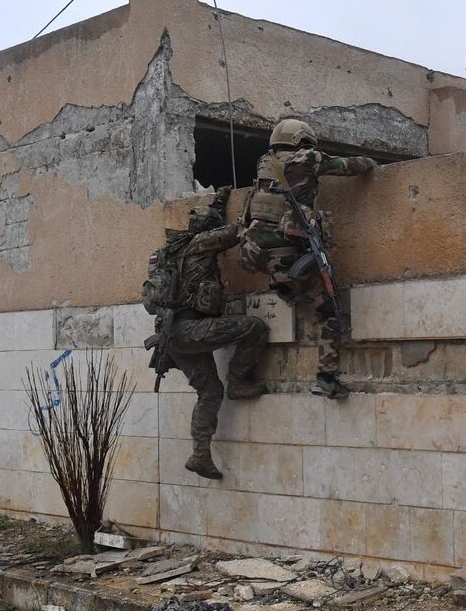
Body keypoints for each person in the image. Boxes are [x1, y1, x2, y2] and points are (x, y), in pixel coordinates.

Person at [240, 118, 377, 399]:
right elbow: (351, 166)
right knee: (329, 311)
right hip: (289, 255)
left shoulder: (264, 165)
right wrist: (371, 162)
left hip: (258, 255)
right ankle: (326, 378)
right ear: (302, 139)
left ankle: (286, 288)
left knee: (292, 275)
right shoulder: (309, 157)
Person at [149, 187, 269, 480]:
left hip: (171, 338)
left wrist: (218, 201)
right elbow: (236, 232)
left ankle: (200, 454)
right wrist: (258, 204)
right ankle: (238, 380)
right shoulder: (201, 243)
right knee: (255, 327)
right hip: (191, 329)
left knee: (209, 391)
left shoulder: (171, 252)